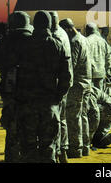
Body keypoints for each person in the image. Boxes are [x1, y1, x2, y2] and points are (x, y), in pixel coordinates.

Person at [14, 11, 72, 163]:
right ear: (49, 24)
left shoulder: (23, 45)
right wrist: (58, 97)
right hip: (49, 105)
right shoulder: (58, 45)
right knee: (49, 148)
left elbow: (13, 72)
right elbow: (67, 77)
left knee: (28, 149)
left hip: (27, 104)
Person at [0, 11, 32, 162]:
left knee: (12, 130)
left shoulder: (6, 41)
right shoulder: (34, 39)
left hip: (10, 92)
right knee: (31, 131)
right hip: (32, 92)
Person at [60, 18, 92, 158]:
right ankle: (85, 146)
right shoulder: (84, 39)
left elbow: (70, 65)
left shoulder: (74, 43)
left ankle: (76, 148)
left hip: (77, 84)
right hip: (86, 82)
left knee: (73, 117)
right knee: (83, 116)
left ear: (67, 29)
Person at [49, 11, 73, 163]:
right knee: (62, 119)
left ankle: (58, 152)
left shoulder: (55, 37)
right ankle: (63, 151)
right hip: (64, 83)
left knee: (54, 120)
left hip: (56, 85)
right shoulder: (63, 33)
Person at [85, 23, 111, 90]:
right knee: (99, 93)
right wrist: (107, 69)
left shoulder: (86, 41)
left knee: (90, 93)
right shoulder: (103, 41)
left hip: (90, 72)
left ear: (87, 30)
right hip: (101, 72)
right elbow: (108, 57)